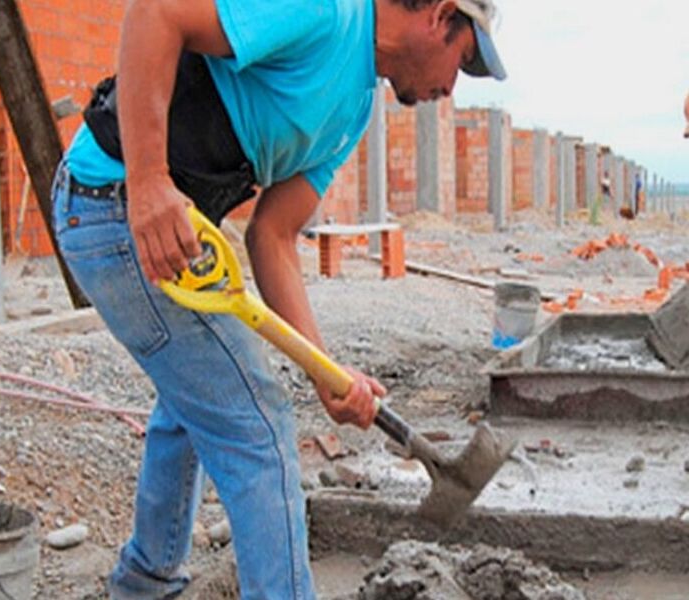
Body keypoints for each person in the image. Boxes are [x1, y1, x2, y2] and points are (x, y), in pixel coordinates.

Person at [50, 0, 506, 598]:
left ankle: (146, 579)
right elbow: (155, 14)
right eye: (463, 60)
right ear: (438, 15)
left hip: (175, 238)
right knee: (259, 423)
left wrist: (325, 373)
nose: (451, 89)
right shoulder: (325, 12)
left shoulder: (353, 109)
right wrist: (148, 182)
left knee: (199, 395)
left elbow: (274, 235)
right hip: (110, 207)